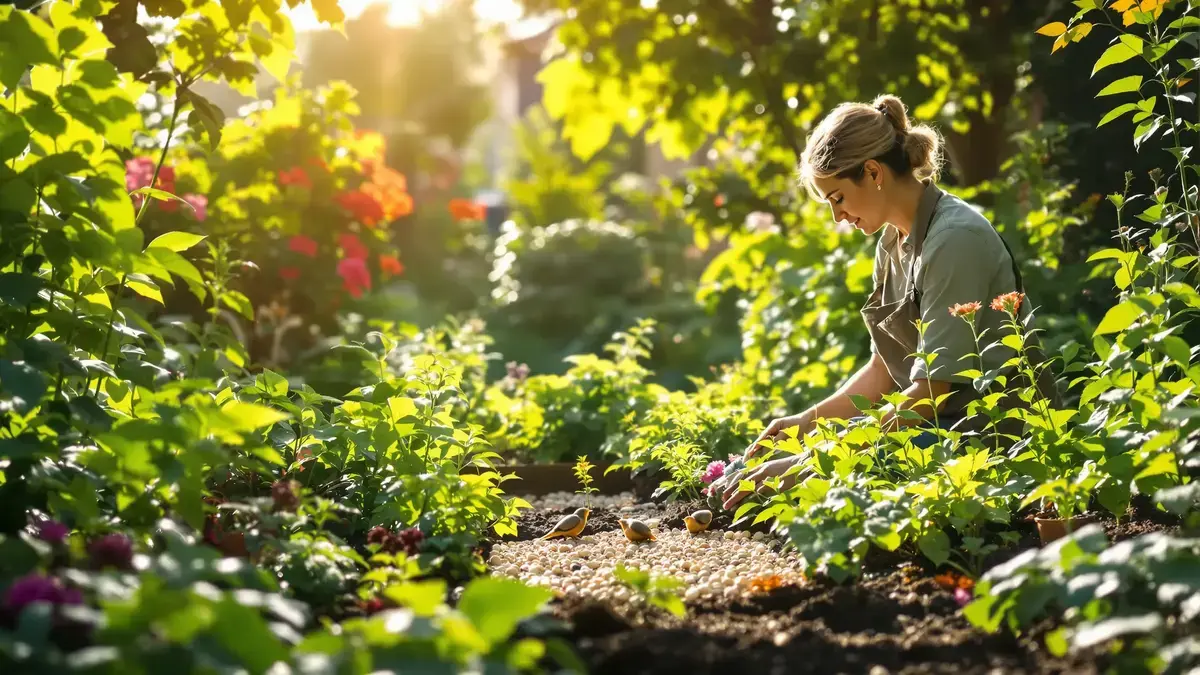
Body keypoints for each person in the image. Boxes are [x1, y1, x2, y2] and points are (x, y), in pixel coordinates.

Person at [713, 94, 1058, 511]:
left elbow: (931, 391)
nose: (837, 217)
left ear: (873, 172)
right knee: (823, 458)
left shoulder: (954, 239)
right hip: (939, 426)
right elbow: (883, 371)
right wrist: (804, 425)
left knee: (835, 479)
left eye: (838, 198)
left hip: (995, 441)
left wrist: (812, 463)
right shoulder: (892, 242)